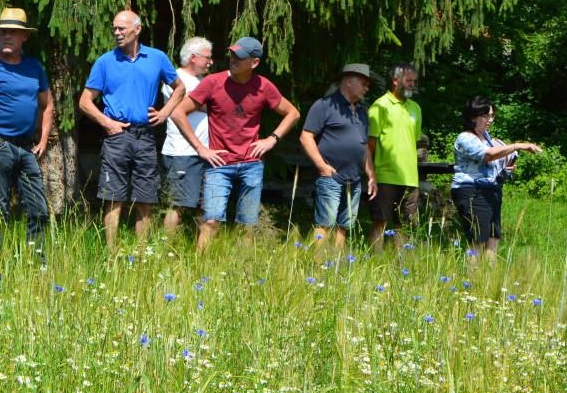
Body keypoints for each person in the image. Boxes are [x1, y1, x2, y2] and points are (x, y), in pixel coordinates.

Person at [170, 37, 300, 252]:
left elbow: (293, 113)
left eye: (240, 57)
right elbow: (178, 112)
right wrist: (201, 149)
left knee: (247, 225)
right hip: (219, 164)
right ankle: (200, 272)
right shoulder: (213, 82)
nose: (233, 60)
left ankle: (240, 271)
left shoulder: (263, 86)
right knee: (211, 221)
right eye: (232, 54)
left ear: (254, 62)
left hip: (252, 164)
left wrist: (271, 140)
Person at [78, 10, 187, 251]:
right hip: (116, 137)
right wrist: (107, 122)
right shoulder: (105, 61)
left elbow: (180, 88)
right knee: (113, 197)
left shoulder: (157, 58)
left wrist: (165, 112)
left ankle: (141, 256)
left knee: (145, 199)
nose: (116, 33)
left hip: (146, 136)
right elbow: (85, 101)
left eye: (122, 28)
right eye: (114, 29)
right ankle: (111, 254)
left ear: (137, 29)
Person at [0, 8, 54, 253]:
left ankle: (37, 263)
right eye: (4, 31)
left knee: (38, 209)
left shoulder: (34, 67)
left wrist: (44, 139)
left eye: (14, 32)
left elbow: (47, 105)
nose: (7, 36)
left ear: (24, 37)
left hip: (26, 147)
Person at [451, 96, 541, 260]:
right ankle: (471, 281)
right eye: (485, 116)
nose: (489, 120)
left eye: (491, 116)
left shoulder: (490, 140)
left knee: (493, 239)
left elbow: (496, 162)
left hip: (492, 192)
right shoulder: (465, 138)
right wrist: (517, 145)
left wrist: (507, 169)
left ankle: (489, 280)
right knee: (478, 240)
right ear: (472, 117)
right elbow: (487, 155)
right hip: (473, 191)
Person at [300, 63, 378, 250]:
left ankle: (335, 266)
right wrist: (321, 166)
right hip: (330, 176)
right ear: (349, 81)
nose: (367, 88)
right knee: (325, 224)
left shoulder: (362, 112)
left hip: (354, 179)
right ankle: (317, 268)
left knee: (344, 226)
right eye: (364, 83)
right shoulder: (325, 105)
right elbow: (306, 137)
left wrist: (371, 176)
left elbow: (364, 146)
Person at [160, 37, 214, 234]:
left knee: (204, 206)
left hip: (204, 152)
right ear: (193, 57)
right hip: (182, 151)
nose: (211, 61)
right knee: (178, 205)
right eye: (207, 57)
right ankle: (164, 251)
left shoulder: (200, 81)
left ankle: (201, 253)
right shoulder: (176, 80)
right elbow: (205, 105)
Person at [367, 63, 422, 247]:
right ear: (395, 80)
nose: (412, 84)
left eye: (414, 81)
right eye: (409, 80)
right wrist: (371, 174)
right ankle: (375, 260)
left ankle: (401, 265)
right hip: (385, 175)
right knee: (380, 220)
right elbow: (370, 143)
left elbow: (412, 143)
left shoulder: (415, 108)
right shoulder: (380, 106)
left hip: (410, 178)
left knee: (405, 225)